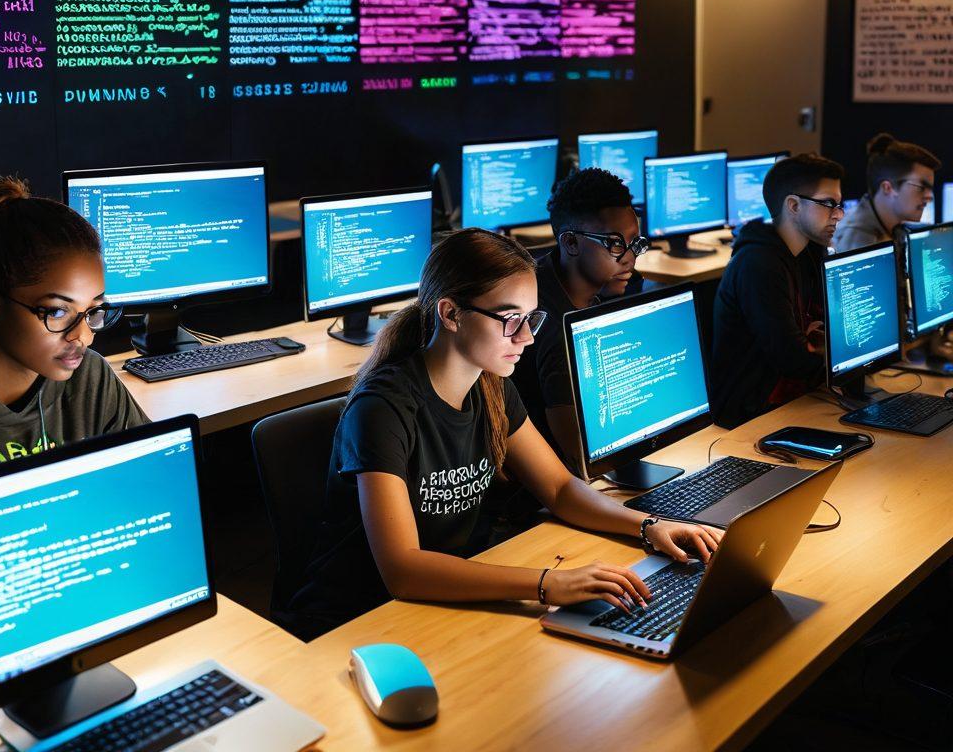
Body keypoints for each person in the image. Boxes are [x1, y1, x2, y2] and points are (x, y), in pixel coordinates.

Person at [286, 228, 719, 640]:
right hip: (364, 615)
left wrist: (648, 526)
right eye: (511, 319)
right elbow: (403, 569)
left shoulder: (490, 383)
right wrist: (549, 584)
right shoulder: (382, 410)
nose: (527, 337)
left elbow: (559, 487)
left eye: (532, 318)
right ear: (451, 313)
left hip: (453, 593)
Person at [0, 176, 148, 480]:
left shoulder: (90, 379)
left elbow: (150, 484)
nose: (83, 336)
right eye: (58, 311)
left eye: (93, 310)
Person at [516, 168, 650, 472]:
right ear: (571, 243)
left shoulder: (609, 285)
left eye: (634, 242)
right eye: (615, 243)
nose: (630, 257)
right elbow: (582, 459)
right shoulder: (549, 324)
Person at [710, 154, 845, 430]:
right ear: (793, 206)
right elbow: (794, 359)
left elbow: (833, 329)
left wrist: (820, 344)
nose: (839, 214)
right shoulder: (758, 265)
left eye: (839, 205)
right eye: (828, 204)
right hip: (751, 417)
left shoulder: (809, 251)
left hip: (798, 399)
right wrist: (820, 348)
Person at [833, 133, 940, 253]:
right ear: (887, 188)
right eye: (921, 187)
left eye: (930, 189)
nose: (930, 197)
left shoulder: (892, 228)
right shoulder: (859, 244)